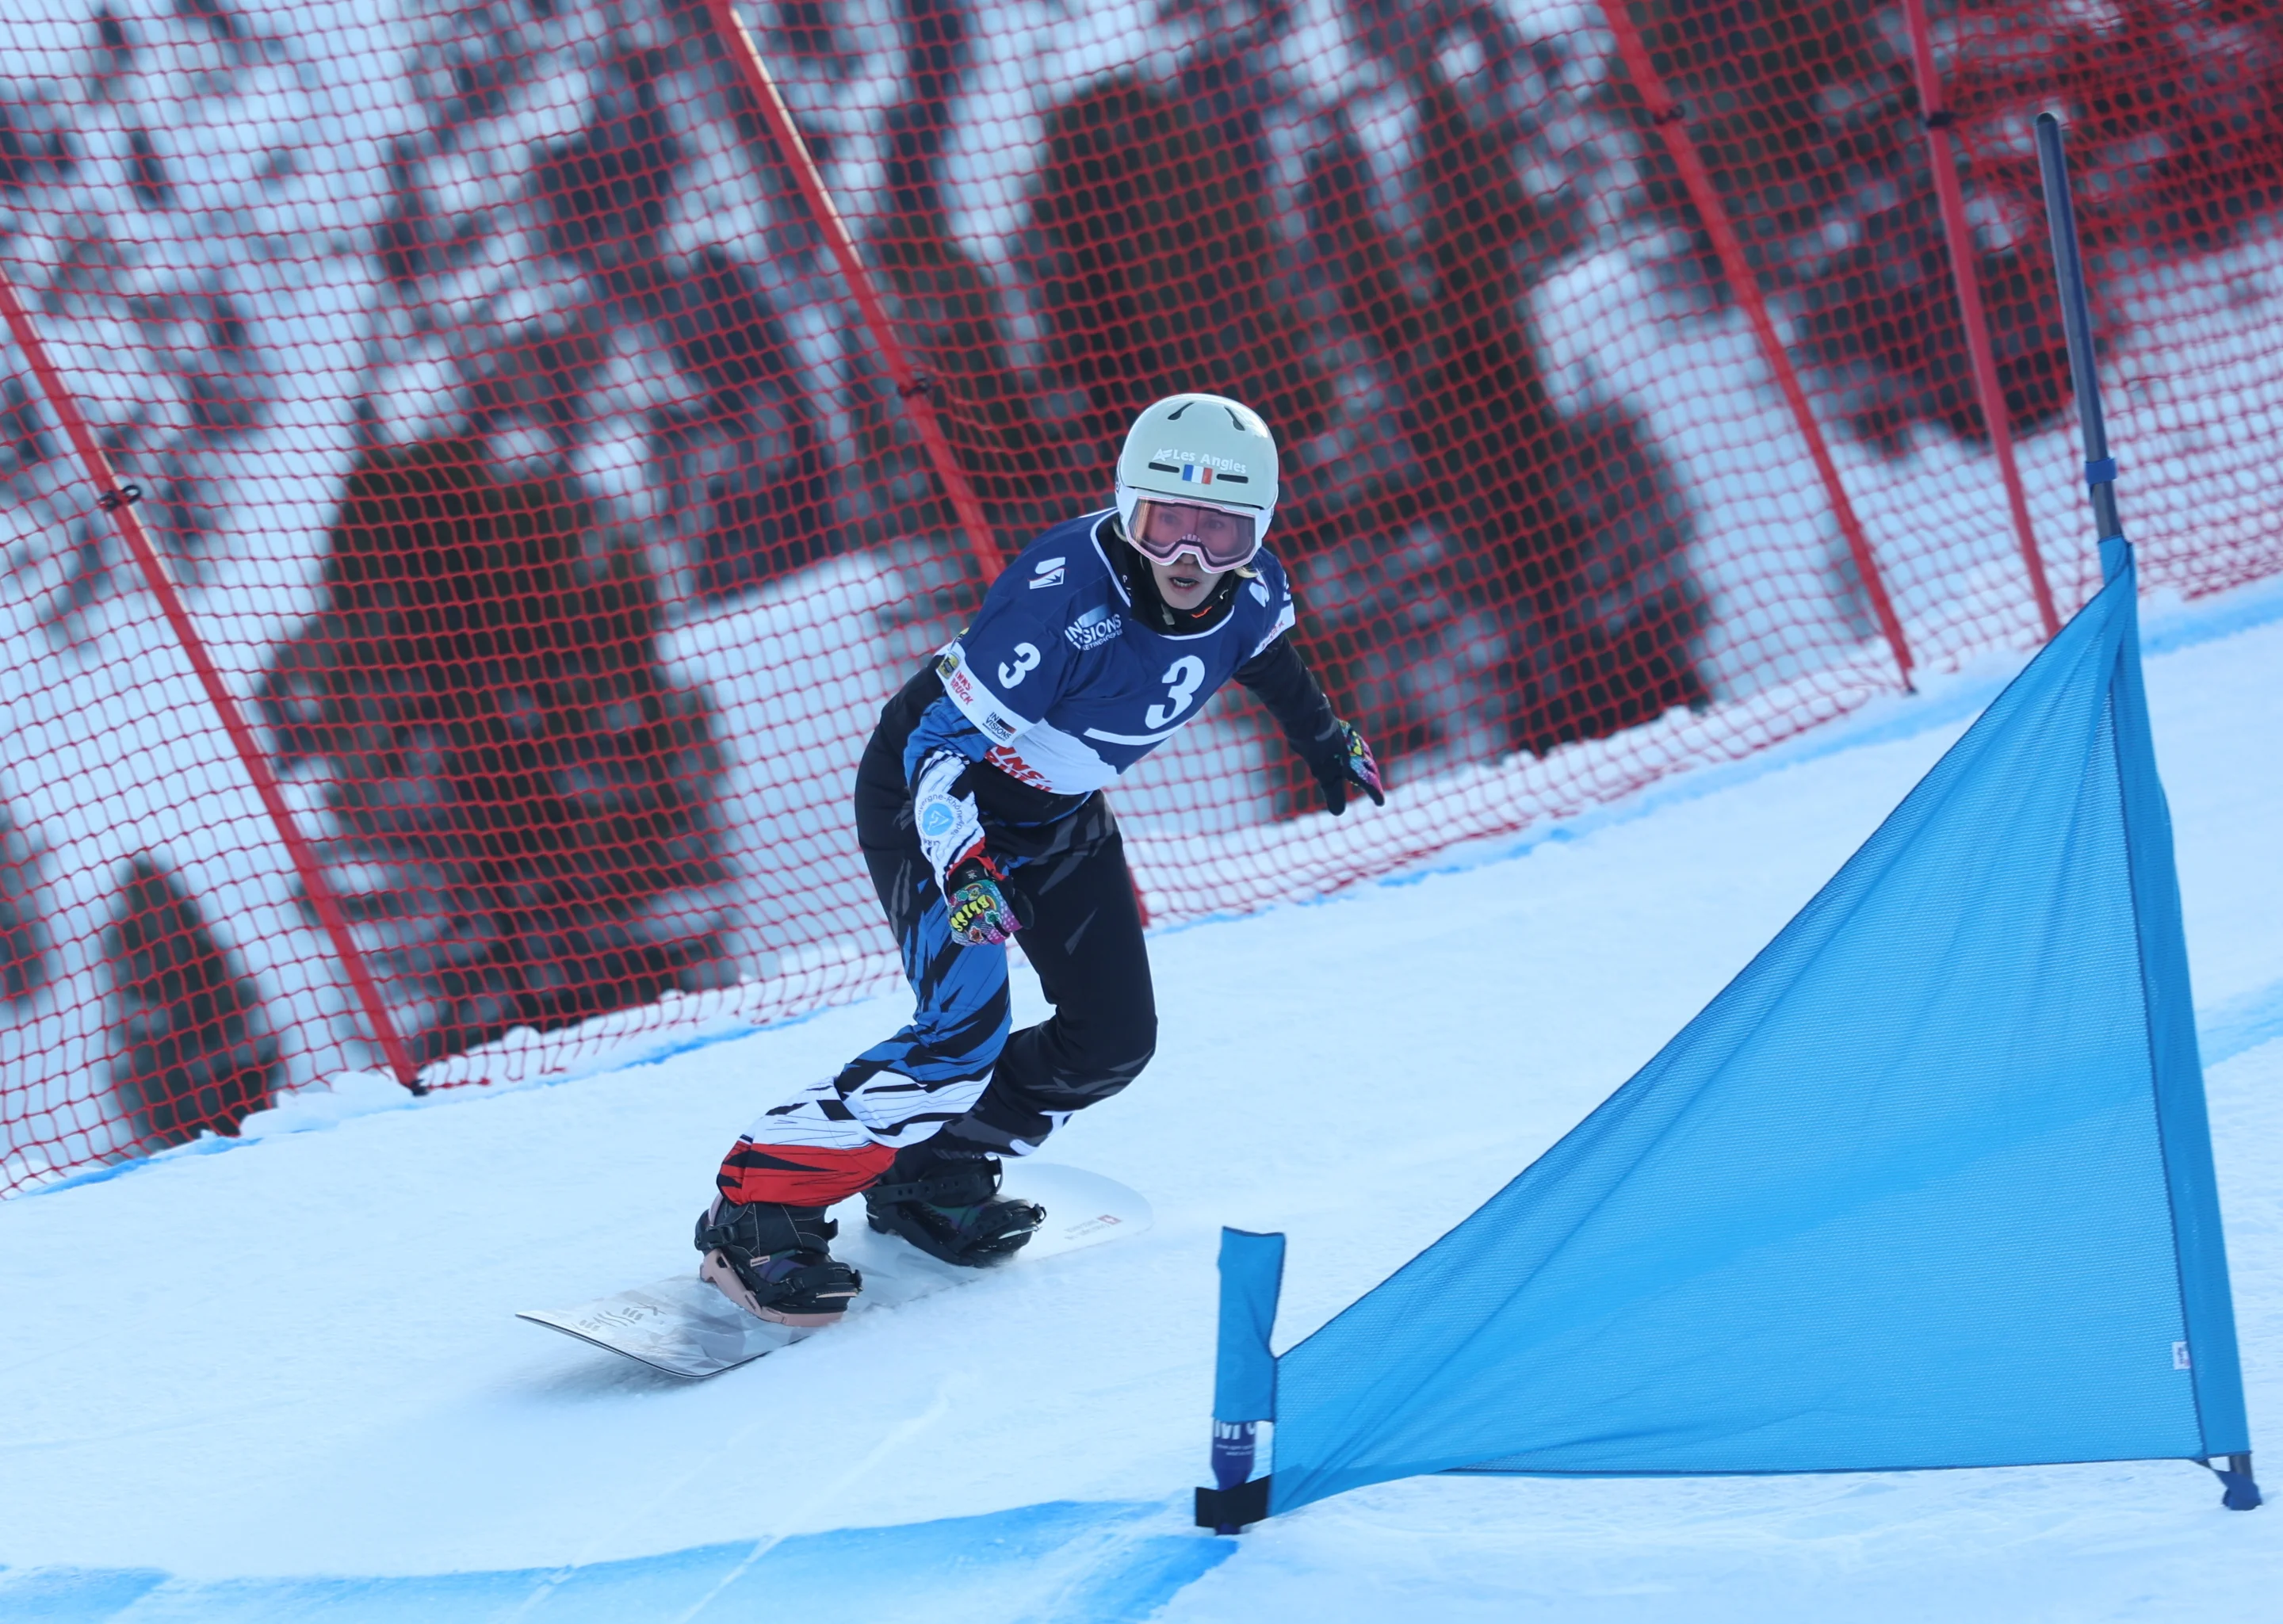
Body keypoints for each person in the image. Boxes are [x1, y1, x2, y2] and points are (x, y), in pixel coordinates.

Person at [693, 392, 1385, 1325]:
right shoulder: (1062, 603)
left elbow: (1260, 650)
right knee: (960, 1038)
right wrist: (964, 867)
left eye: (1221, 533)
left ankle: (930, 1167)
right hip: (935, 802)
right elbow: (937, 750)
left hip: (1055, 813)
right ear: (1126, 507)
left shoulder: (1253, 589)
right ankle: (756, 1207)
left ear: (1257, 533)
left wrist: (1322, 735)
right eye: (1166, 524)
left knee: (1113, 1040)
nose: (1189, 556)